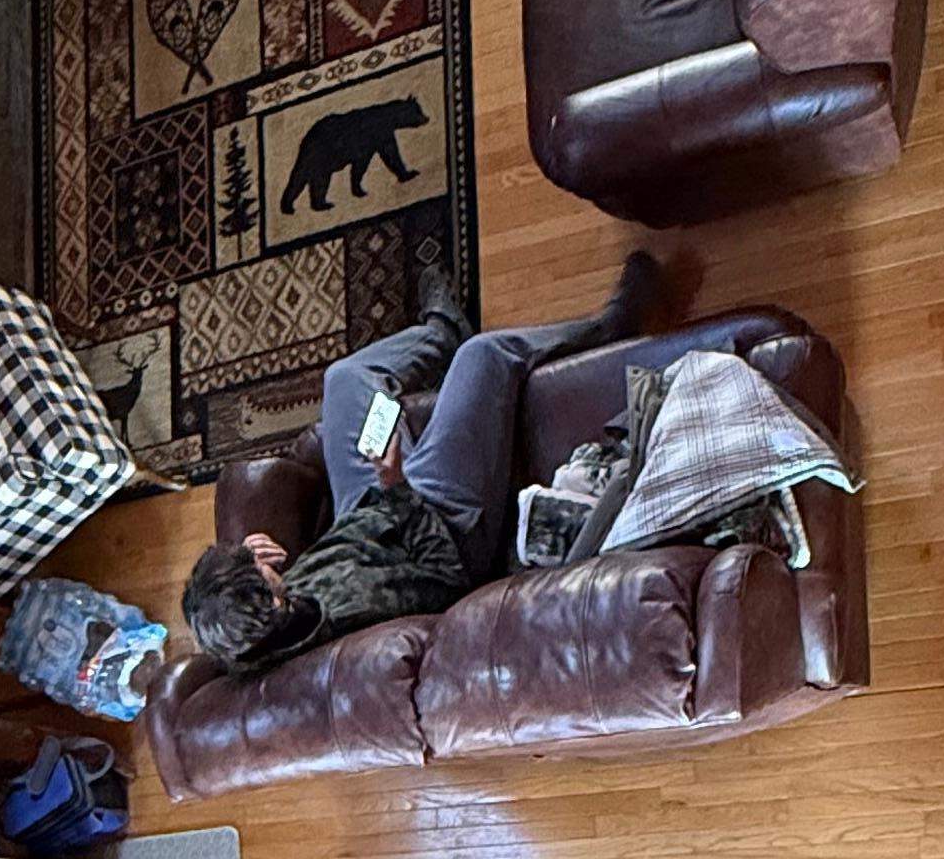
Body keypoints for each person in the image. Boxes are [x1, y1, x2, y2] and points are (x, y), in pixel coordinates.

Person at [180, 247, 672, 676]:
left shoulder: (254, 640)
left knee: (345, 380)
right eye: (257, 572)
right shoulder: (353, 609)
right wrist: (395, 484)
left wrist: (252, 562)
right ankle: (607, 329)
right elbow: (443, 576)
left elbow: (234, 652)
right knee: (484, 356)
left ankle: (441, 333)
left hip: (368, 514)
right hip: (440, 521)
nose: (258, 558)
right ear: (276, 604)